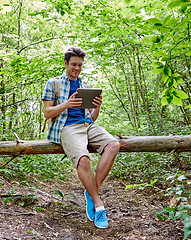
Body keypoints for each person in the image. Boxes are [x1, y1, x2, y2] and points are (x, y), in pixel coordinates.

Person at [42, 47, 120, 228]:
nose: (77, 68)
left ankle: (91, 192)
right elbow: (47, 113)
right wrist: (67, 104)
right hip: (67, 127)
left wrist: (97, 107)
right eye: (74, 65)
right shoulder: (53, 83)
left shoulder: (84, 86)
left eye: (80, 65)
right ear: (66, 63)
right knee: (83, 160)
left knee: (113, 145)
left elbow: (91, 118)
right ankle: (99, 205)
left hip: (87, 125)